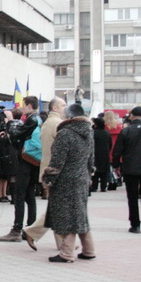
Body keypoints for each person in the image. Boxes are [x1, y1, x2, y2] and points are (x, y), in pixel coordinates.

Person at [41, 104, 95, 263]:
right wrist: (88, 175)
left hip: (65, 180)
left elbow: (57, 161)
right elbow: (91, 159)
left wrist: (48, 179)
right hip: (82, 177)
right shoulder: (88, 132)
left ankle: (66, 253)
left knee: (67, 216)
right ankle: (89, 250)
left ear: (69, 117)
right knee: (80, 215)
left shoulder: (65, 133)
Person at [22, 97, 66, 250]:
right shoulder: (56, 124)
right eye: (63, 105)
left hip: (51, 170)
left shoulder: (51, 123)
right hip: (54, 172)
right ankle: (33, 232)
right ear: (55, 108)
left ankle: (63, 242)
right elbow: (55, 151)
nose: (65, 108)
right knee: (58, 207)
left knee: (57, 207)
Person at [0, 96, 41, 242]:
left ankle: (17, 230)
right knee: (30, 195)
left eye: (23, 105)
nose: (22, 108)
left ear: (29, 106)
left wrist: (10, 121)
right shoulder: (38, 119)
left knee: (19, 195)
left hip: (25, 161)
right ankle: (30, 228)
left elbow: (17, 135)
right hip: (33, 160)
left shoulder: (31, 119)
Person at [91, 118, 113, 193]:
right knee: (104, 172)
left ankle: (94, 186)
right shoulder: (106, 132)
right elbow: (110, 144)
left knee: (95, 172)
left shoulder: (93, 132)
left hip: (95, 153)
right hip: (105, 154)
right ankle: (103, 187)